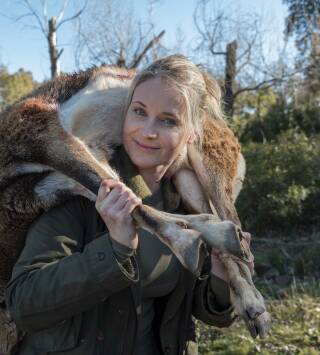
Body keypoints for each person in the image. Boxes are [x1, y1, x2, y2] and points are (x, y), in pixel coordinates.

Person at [6, 54, 240, 355]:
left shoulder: (187, 206)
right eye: (139, 112)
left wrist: (221, 279)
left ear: (192, 133)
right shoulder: (80, 189)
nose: (148, 131)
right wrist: (115, 251)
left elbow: (198, 309)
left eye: (168, 120)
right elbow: (25, 303)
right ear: (124, 112)